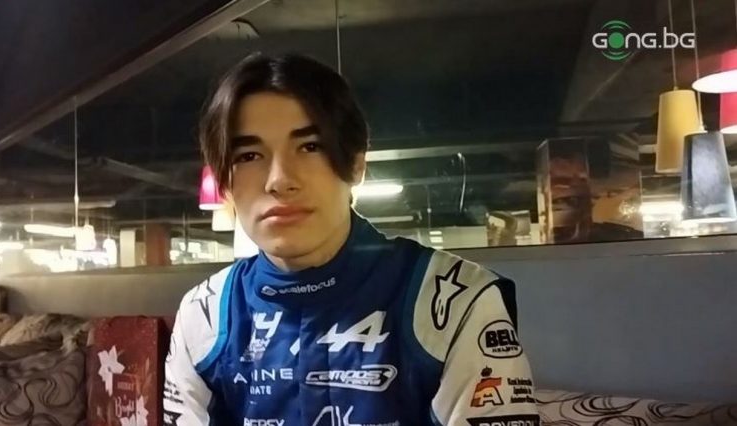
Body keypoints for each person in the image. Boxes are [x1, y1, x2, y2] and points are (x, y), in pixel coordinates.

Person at [163, 53, 539, 426]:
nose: (279, 180)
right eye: (248, 155)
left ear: (356, 164)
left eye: (310, 146)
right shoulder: (204, 315)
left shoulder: (457, 301)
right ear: (224, 182)